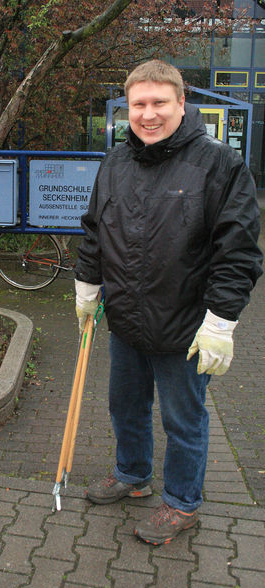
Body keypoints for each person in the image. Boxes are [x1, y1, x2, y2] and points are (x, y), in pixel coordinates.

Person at [75, 60, 262, 546]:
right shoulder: (116, 162)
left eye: (160, 102)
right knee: (125, 407)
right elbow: (96, 229)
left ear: (182, 103)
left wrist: (221, 322)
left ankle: (181, 502)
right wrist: (87, 287)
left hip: (185, 325)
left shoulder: (220, 165)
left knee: (184, 419)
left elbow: (237, 249)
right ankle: (132, 474)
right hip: (127, 321)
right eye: (139, 104)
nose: (149, 114)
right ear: (127, 107)